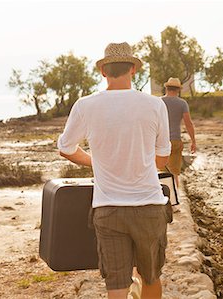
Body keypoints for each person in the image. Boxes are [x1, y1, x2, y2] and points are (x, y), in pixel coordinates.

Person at [57, 42, 171, 299]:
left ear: (103, 72)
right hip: (149, 206)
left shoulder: (85, 105)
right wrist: (137, 163)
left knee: (116, 285)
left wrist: (96, 163)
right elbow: (162, 159)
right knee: (150, 277)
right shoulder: (155, 105)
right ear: (133, 70)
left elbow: (66, 148)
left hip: (108, 209)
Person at [160, 78, 196, 187]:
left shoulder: (158, 101)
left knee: (162, 172)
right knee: (174, 173)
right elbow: (188, 123)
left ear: (166, 88)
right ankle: (175, 200)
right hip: (175, 140)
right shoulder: (182, 103)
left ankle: (164, 198)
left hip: (160, 141)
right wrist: (193, 141)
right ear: (178, 90)